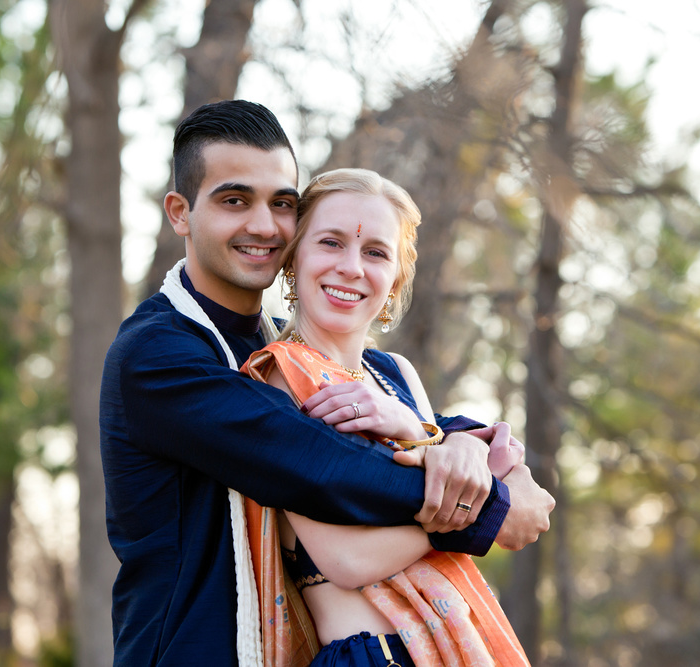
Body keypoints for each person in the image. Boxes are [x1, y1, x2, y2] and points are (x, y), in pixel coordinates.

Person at [99, 100, 554, 666]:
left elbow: (367, 444)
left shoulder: (269, 345)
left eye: (282, 204)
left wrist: (448, 437)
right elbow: (322, 465)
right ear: (180, 212)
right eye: (234, 200)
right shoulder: (160, 355)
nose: (264, 225)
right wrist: (489, 507)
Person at [241, 168, 530, 667]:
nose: (351, 267)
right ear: (293, 258)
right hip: (370, 655)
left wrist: (423, 432)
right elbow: (349, 561)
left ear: (395, 279)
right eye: (331, 243)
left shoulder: (394, 373)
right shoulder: (281, 377)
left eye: (375, 252)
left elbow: (449, 467)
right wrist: (485, 510)